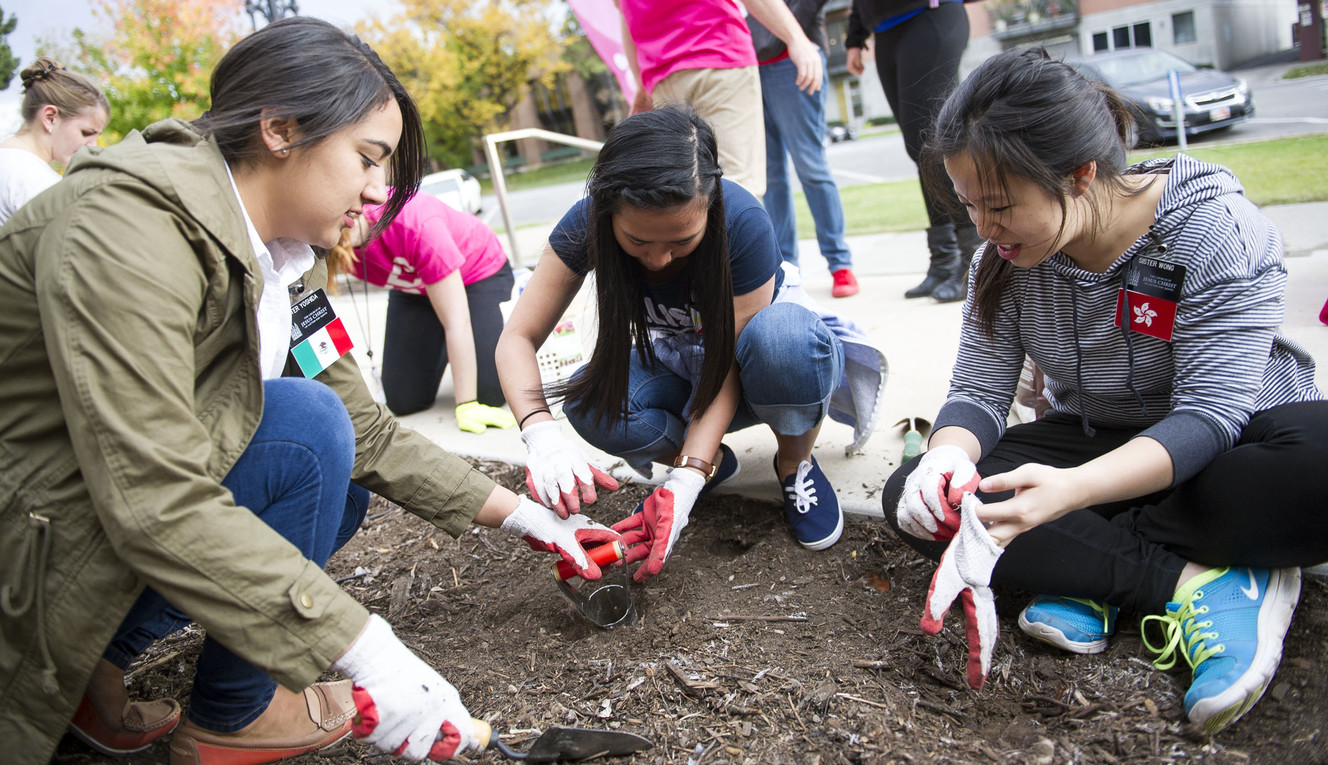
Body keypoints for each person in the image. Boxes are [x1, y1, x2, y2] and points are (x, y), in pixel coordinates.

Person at [0, 17, 619, 765]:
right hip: (32, 550)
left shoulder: (282, 262)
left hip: (87, 518)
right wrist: (364, 648)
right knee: (304, 432)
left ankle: (93, 663)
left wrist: (531, 518)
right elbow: (151, 493)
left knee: (337, 471)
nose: (377, 191)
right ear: (280, 130)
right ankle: (233, 714)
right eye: (366, 158)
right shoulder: (129, 228)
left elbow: (370, 430)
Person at [880, 48, 1327, 733]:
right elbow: (978, 388)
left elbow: (1210, 416)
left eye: (999, 206)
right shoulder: (1000, 261)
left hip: (1232, 445)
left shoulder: (1214, 232)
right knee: (919, 495)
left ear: (1081, 174)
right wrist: (948, 455)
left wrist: (1073, 494)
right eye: (967, 204)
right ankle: (1194, 582)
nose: (982, 229)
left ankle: (1092, 566)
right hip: (1097, 436)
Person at [498, 106, 887, 582]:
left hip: (759, 369)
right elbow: (517, 337)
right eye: (637, 241)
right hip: (685, 369)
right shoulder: (585, 224)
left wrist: (684, 476)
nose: (659, 260)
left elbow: (726, 364)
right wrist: (540, 435)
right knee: (591, 401)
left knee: (784, 339)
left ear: (710, 202)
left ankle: (794, 461)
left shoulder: (741, 222)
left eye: (682, 241)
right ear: (607, 211)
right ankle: (715, 465)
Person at [331, 190, 517, 429]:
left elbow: (456, 321)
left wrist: (466, 404)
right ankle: (440, 338)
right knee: (403, 400)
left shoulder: (415, 225)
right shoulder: (322, 243)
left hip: (475, 273)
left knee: (488, 394)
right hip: (415, 288)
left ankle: (483, 336)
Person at [615, 0, 824, 198]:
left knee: (680, 191)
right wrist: (796, 38)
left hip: (663, 74)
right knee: (736, 186)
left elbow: (626, 14)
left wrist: (641, 85)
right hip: (719, 55)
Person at [846, 0, 979, 302]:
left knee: (936, 142)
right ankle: (944, 261)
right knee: (919, 148)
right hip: (885, 29)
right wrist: (854, 39)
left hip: (928, 15)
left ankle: (974, 261)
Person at [748, 0, 859, 298]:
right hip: (747, 66)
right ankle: (786, 269)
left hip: (792, 57)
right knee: (769, 177)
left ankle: (840, 263)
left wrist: (788, 31)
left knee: (811, 165)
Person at [0, 57, 108, 225]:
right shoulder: (35, 181)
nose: (94, 145)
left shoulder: (8, 160)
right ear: (50, 118)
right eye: (86, 132)